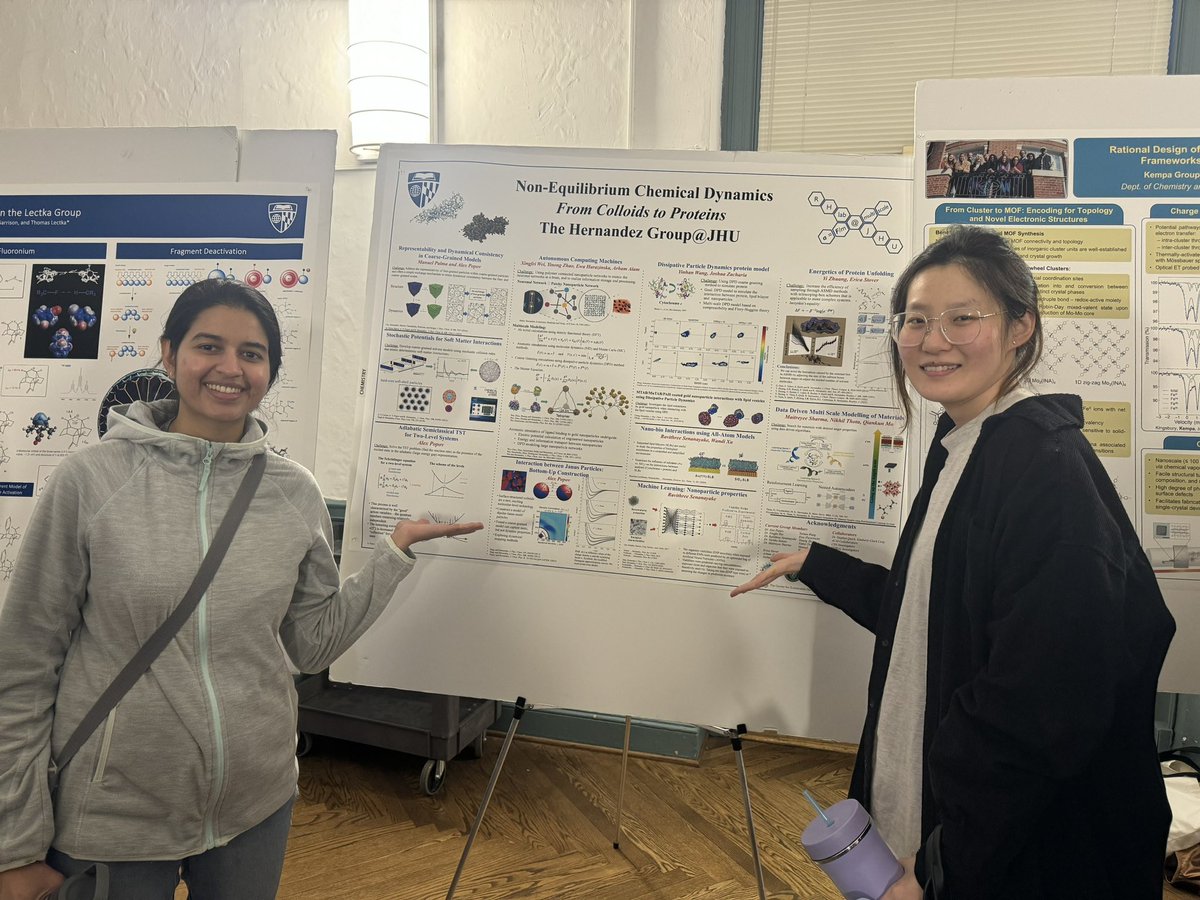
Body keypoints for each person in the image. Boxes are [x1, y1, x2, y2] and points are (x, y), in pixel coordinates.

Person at [0, 279, 483, 900]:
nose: (230, 368)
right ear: (169, 353)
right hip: (112, 813)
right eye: (209, 346)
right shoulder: (89, 481)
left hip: (256, 804)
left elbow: (312, 644)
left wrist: (394, 554)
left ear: (269, 372)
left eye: (251, 354)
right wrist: (15, 843)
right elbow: (24, 664)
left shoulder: (293, 492)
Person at [732, 226, 1174, 898]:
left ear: (1021, 327)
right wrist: (819, 565)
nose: (933, 341)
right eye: (915, 320)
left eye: (963, 318)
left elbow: (1042, 702)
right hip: (949, 827)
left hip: (1018, 855)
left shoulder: (1043, 470)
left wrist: (944, 862)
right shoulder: (968, 444)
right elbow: (939, 616)